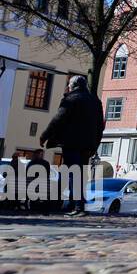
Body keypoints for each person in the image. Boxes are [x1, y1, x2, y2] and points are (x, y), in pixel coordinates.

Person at [39, 75, 104, 216]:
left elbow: (58, 119)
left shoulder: (70, 99)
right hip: (88, 146)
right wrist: (95, 145)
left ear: (72, 86)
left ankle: (77, 206)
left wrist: (45, 135)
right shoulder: (95, 101)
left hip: (71, 143)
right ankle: (74, 204)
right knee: (78, 174)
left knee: (73, 174)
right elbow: (100, 126)